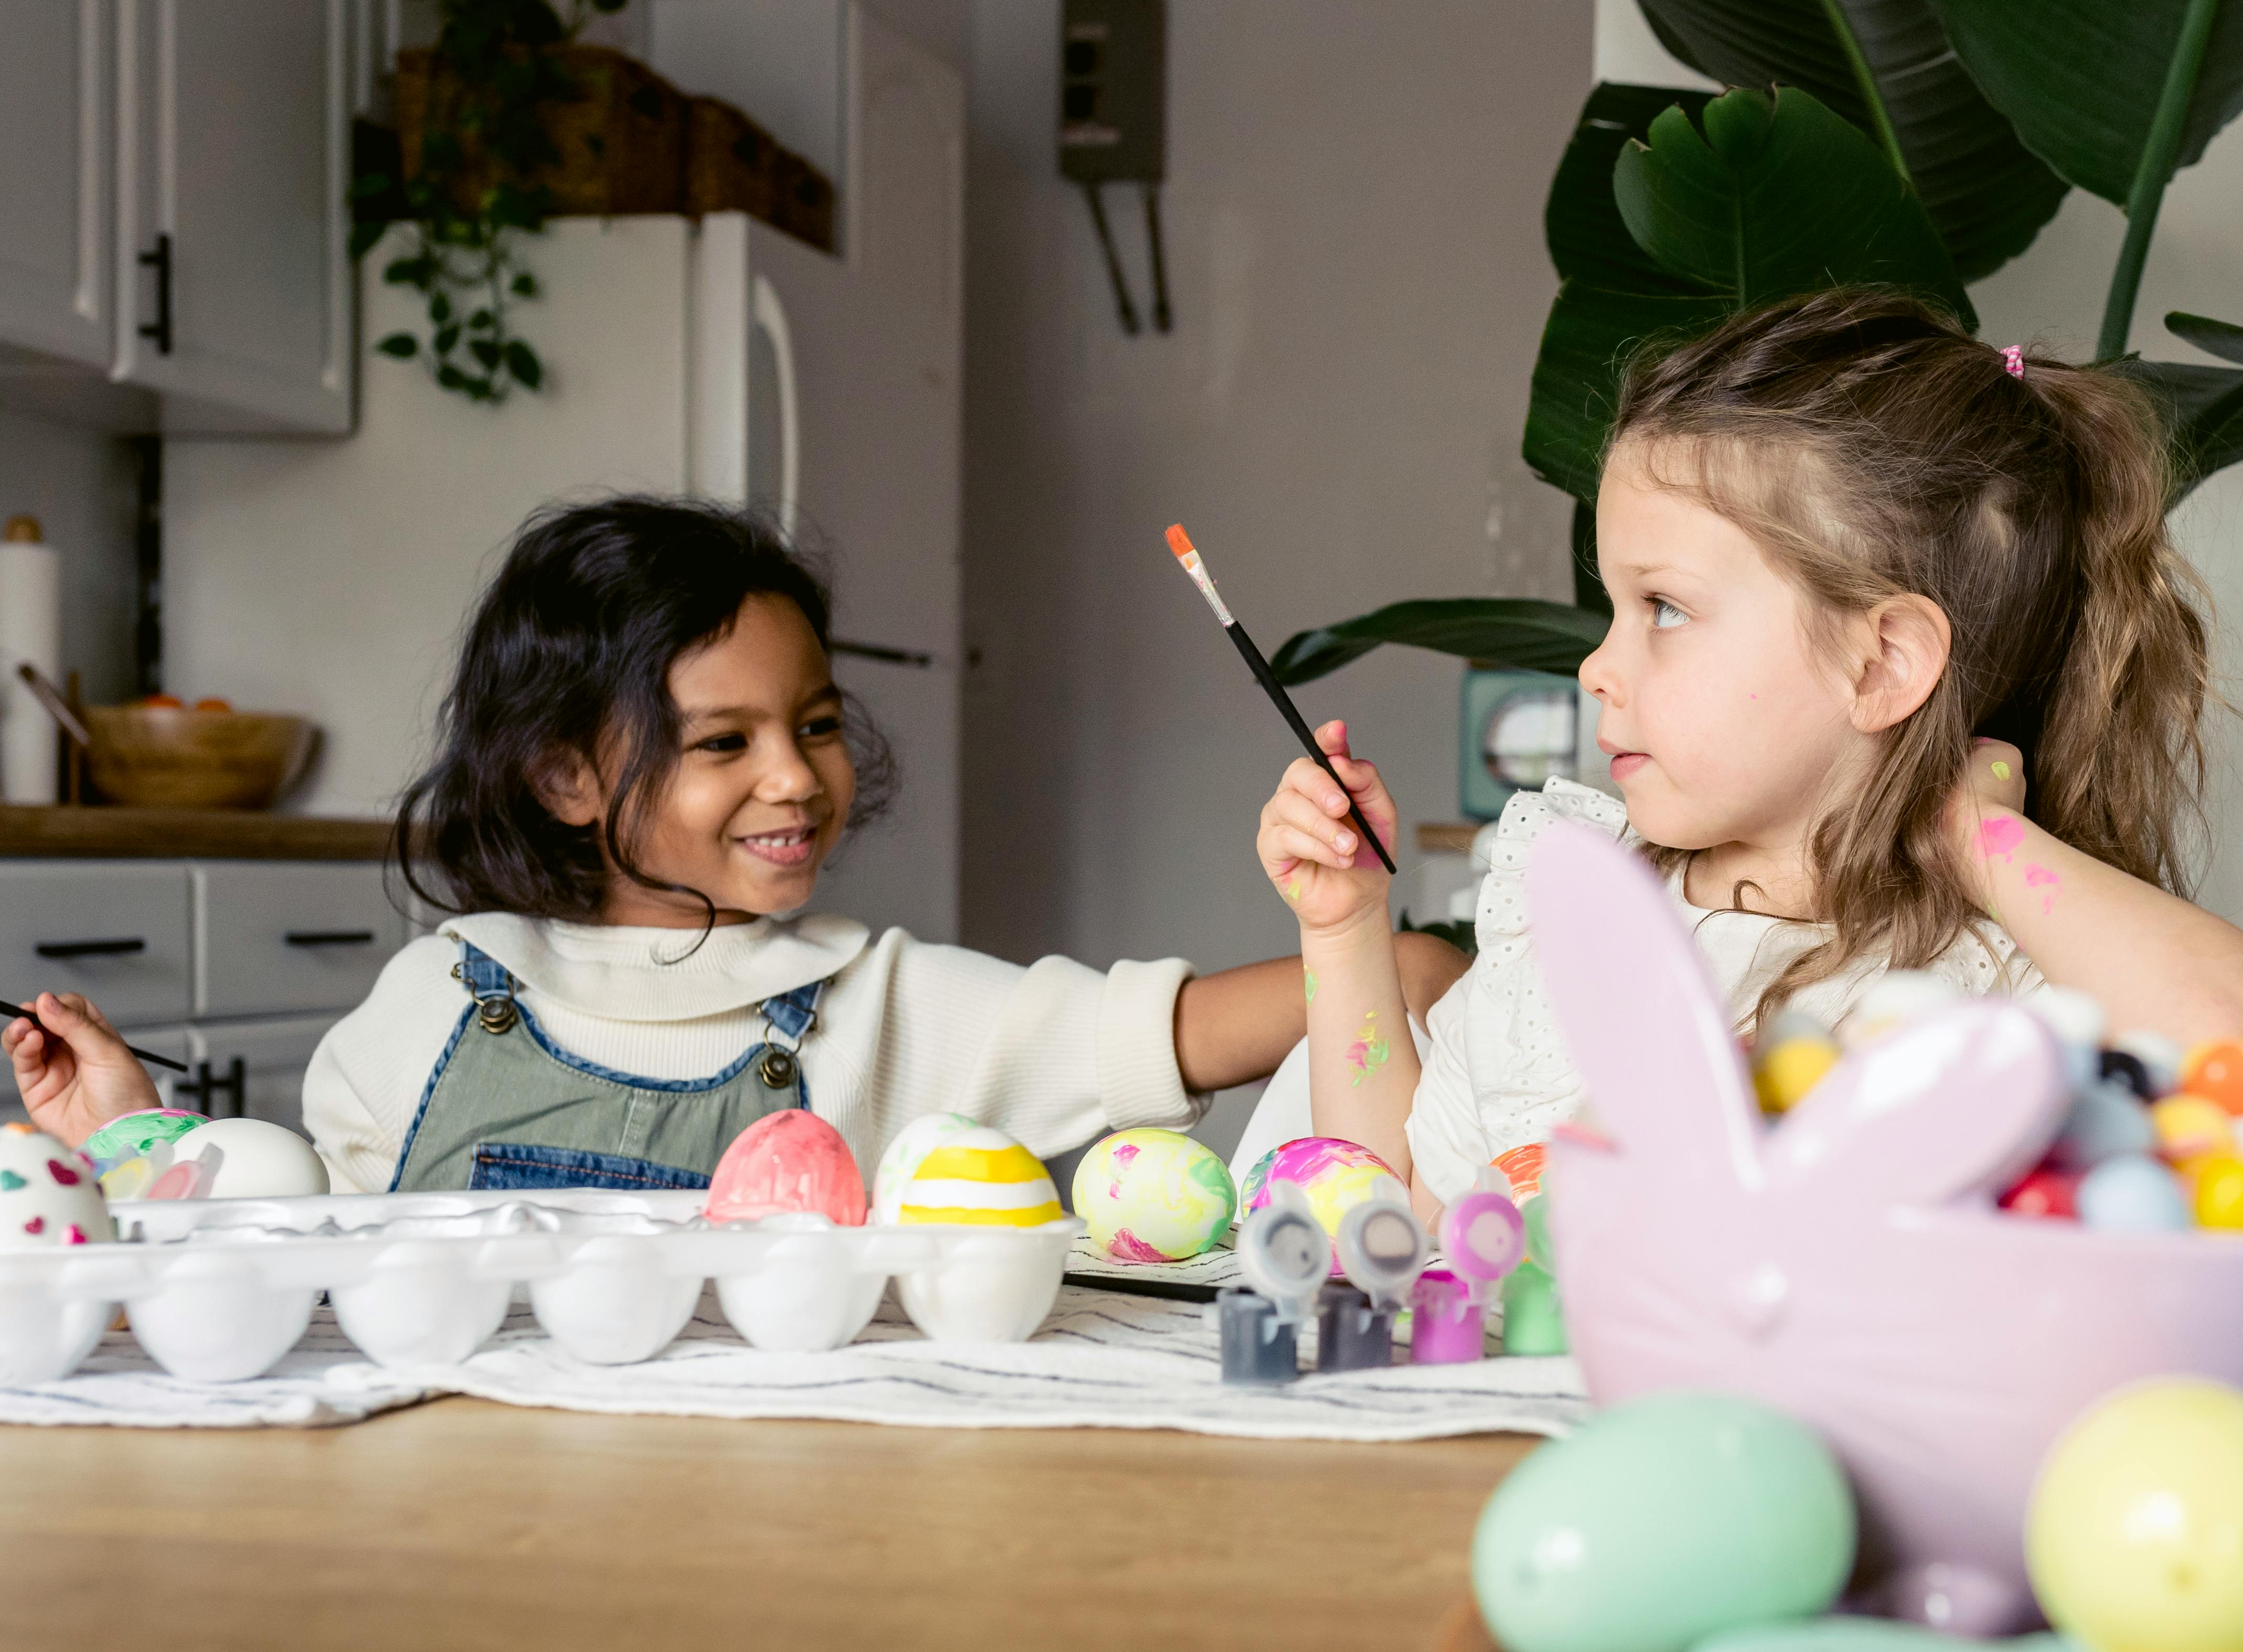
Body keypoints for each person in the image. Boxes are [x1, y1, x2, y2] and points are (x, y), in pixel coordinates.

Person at [8, 498, 1462, 1187]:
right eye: (726, 742)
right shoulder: (438, 996)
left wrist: (1376, 932)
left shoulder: (890, 1003)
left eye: (816, 723)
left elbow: (1217, 1022)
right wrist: (137, 1129)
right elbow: (294, 1248)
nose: (799, 776)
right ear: (570, 775)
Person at [1254, 288, 2243, 1219]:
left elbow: (2229, 1043)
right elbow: (1389, 1211)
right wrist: (1345, 931)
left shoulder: (1986, 981)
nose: (1597, 669)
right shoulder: (1570, 914)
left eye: (1663, 607)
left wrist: (1965, 826)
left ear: (1881, 662)